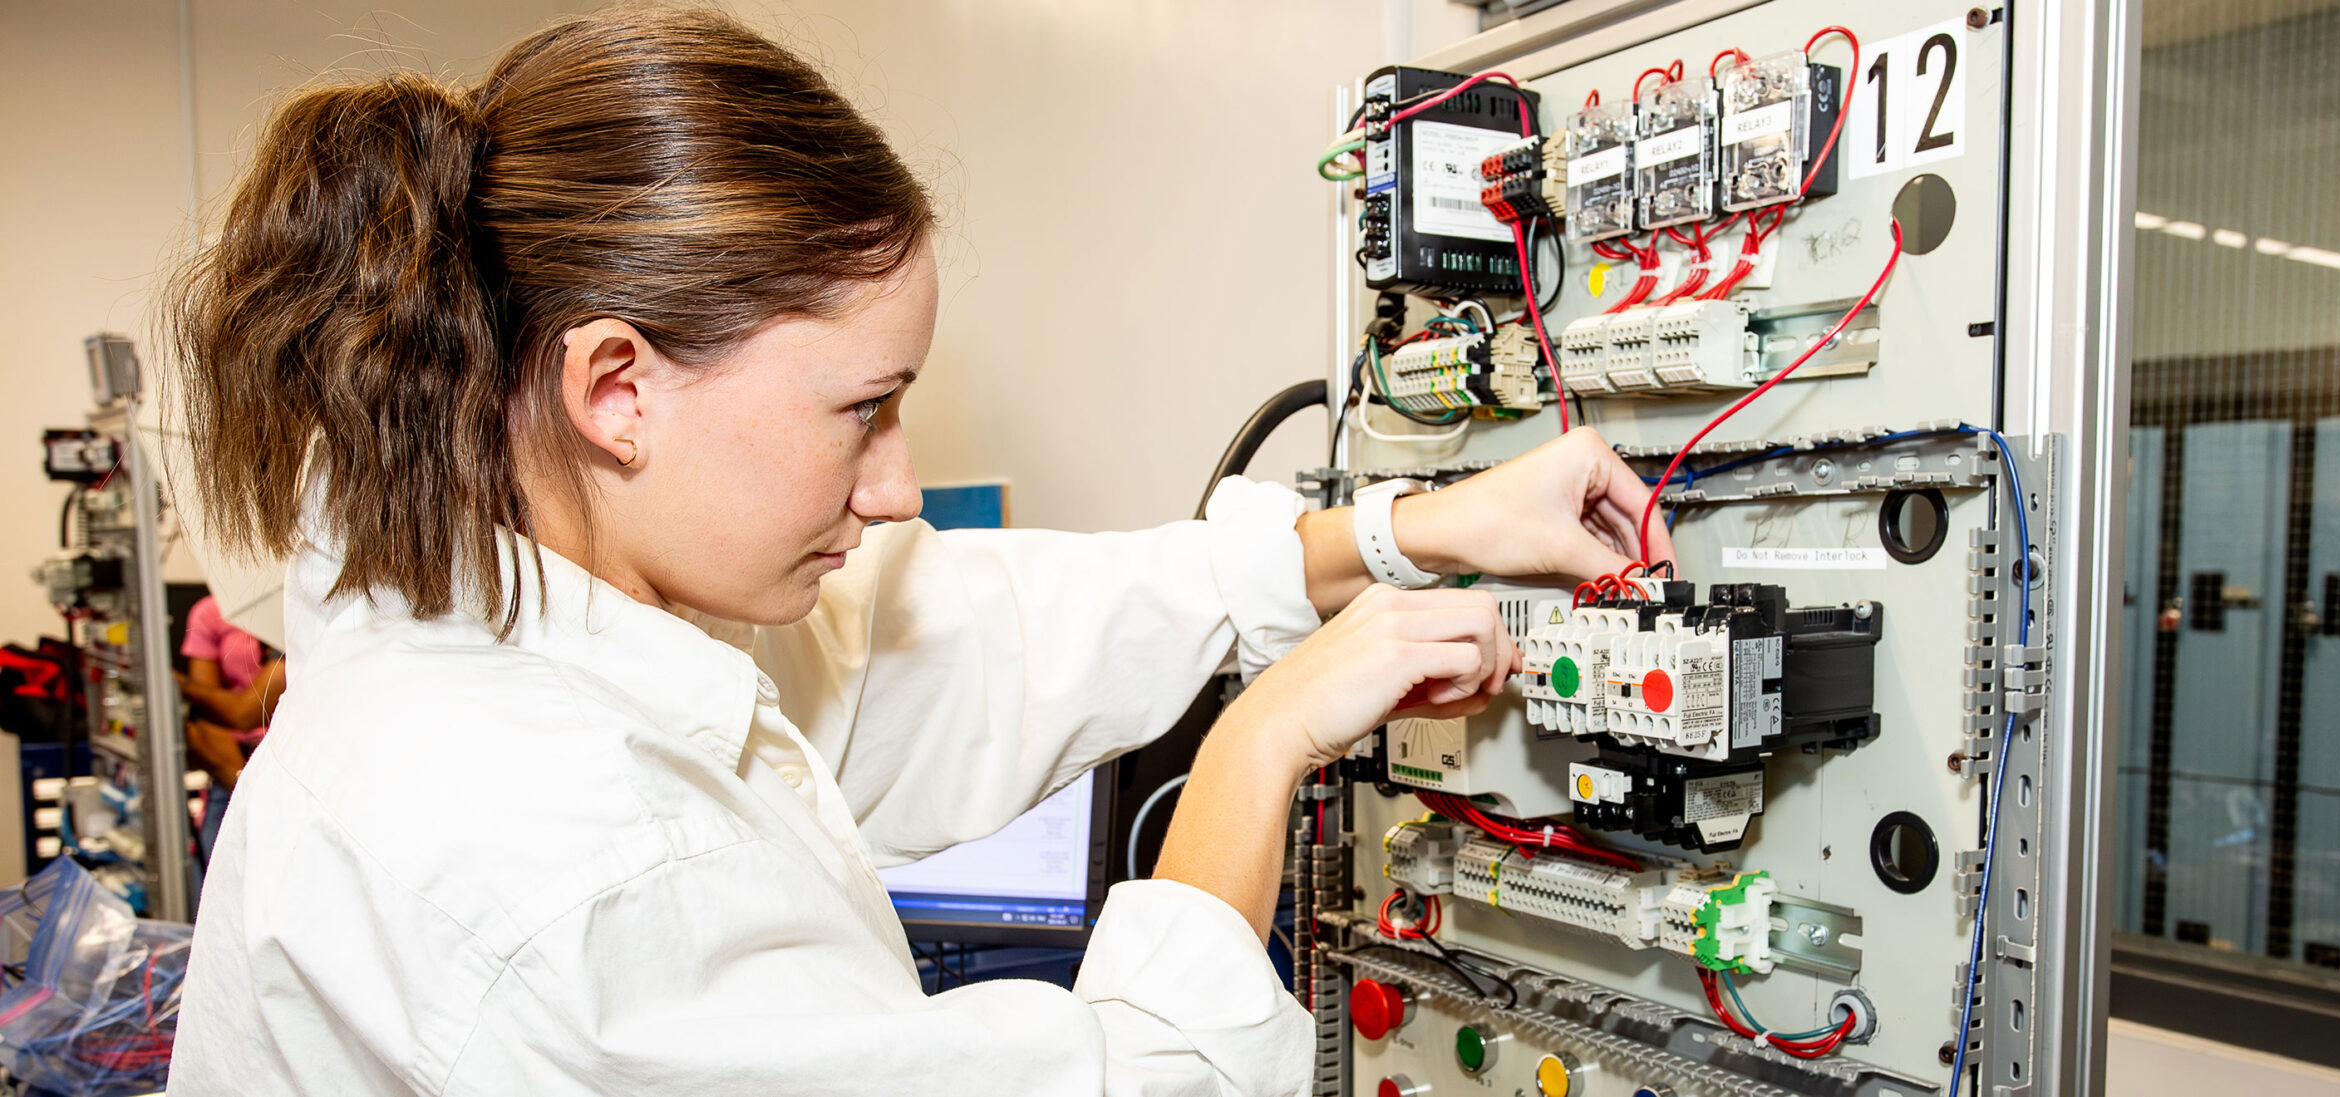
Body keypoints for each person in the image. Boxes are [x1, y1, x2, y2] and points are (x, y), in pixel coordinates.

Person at [163, 10, 1669, 1095]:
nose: (896, 492)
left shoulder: (514, 602)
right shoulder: (568, 861)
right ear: (616, 388)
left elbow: (953, 642)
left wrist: (1412, 530)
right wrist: (1261, 743)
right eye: (863, 411)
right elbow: (1128, 1079)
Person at [174, 594, 286, 858]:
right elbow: (211, 713)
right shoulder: (209, 612)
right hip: (232, 766)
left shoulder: (295, 605)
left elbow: (246, 712)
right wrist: (235, 778)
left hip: (283, 760)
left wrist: (181, 685)